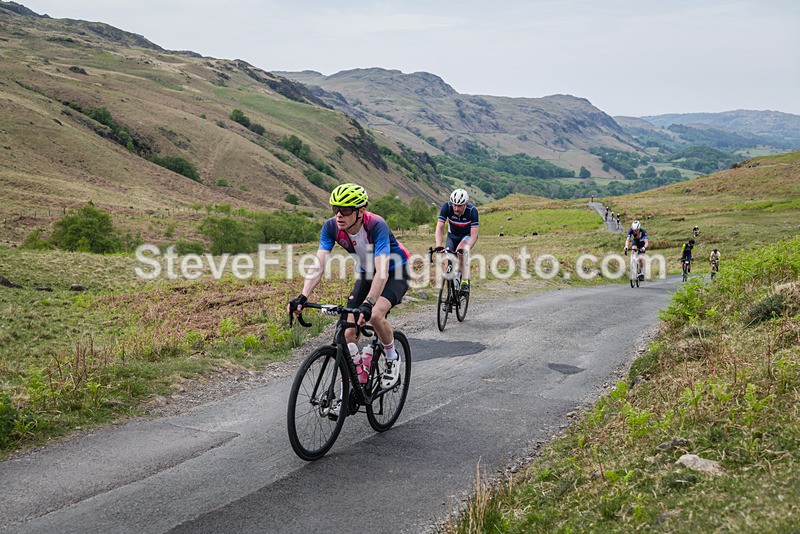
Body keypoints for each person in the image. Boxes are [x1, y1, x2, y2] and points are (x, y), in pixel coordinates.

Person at [288, 183, 410, 391]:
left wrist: (369, 303)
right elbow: (318, 266)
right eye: (335, 209)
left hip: (394, 271)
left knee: (374, 315)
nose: (338, 215)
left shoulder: (376, 225)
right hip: (366, 272)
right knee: (348, 332)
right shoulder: (331, 227)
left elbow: (382, 272)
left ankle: (391, 357)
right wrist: (303, 295)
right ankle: (355, 378)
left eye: (345, 210)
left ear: (361, 210)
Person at [434, 189, 479, 295]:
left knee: (460, 253)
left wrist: (466, 249)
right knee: (447, 261)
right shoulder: (447, 207)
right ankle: (449, 294)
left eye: (459, 206)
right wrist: (438, 245)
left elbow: (474, 236)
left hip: (466, 237)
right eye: (454, 205)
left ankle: (465, 281)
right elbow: (439, 228)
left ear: (466, 204)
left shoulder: (472, 211)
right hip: (452, 236)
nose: (456, 208)